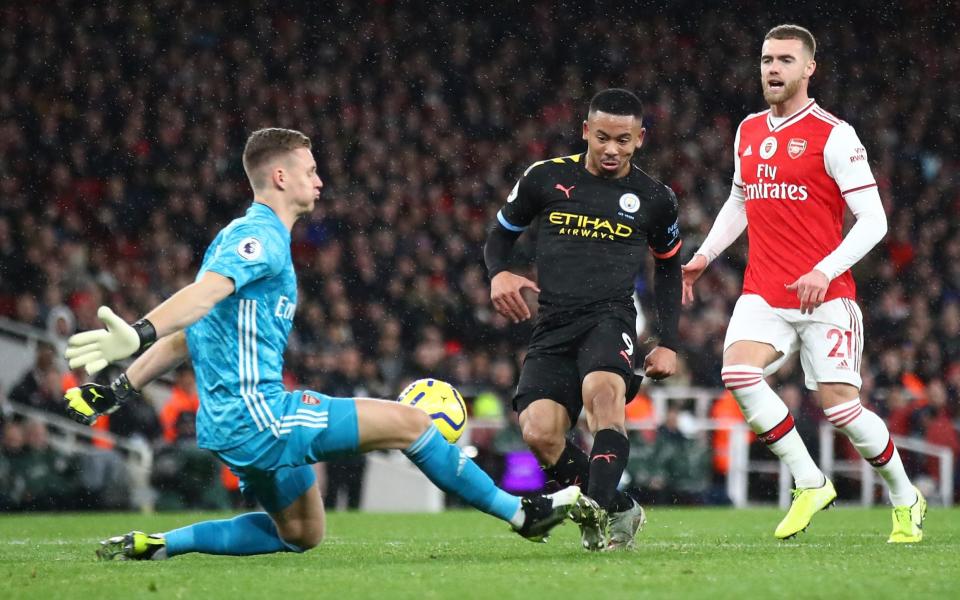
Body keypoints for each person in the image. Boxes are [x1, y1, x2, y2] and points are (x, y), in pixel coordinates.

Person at [62, 128, 581, 561]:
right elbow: (201, 298)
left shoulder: (238, 237)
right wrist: (139, 331)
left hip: (229, 428)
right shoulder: (258, 238)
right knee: (411, 424)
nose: (320, 179)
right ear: (281, 177)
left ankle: (160, 544)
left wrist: (121, 387)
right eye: (311, 170)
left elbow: (194, 331)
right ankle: (522, 513)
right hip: (260, 415)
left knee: (303, 534)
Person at [681, 24, 926, 543]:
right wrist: (704, 255)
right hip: (764, 291)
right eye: (767, 59)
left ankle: (905, 495)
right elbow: (740, 200)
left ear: (809, 69)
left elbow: (875, 220)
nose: (773, 68)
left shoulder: (835, 134)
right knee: (738, 374)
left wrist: (825, 268)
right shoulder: (747, 130)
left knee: (842, 410)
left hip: (825, 295)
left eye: (786, 60)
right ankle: (810, 481)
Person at [484, 89, 682, 550]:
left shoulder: (655, 198)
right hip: (553, 322)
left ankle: (593, 514)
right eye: (604, 138)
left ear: (640, 139)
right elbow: (500, 235)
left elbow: (669, 265)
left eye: (624, 140)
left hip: (609, 318)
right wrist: (498, 275)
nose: (613, 149)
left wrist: (668, 340)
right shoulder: (546, 178)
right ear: (586, 132)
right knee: (539, 433)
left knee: (603, 398)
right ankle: (619, 509)